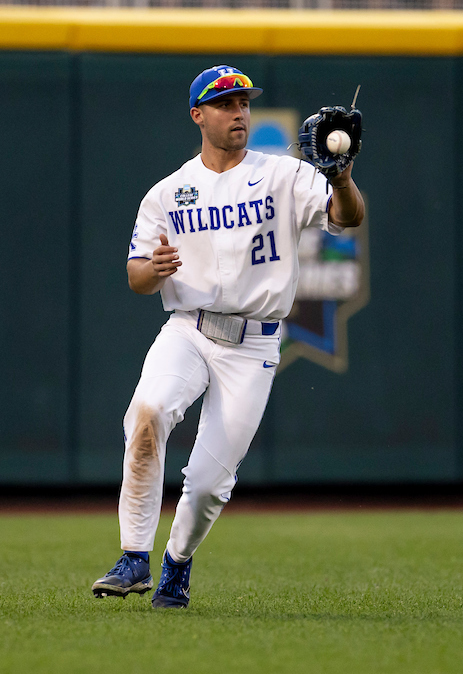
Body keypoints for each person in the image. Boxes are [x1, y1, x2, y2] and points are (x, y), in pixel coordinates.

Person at [92, 66, 366, 609]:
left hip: (256, 343)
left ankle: (176, 565)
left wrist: (339, 177)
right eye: (225, 104)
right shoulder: (166, 193)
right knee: (146, 414)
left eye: (244, 103)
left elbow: (347, 217)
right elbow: (135, 276)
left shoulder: (284, 175)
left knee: (211, 483)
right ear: (198, 115)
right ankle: (133, 557)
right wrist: (156, 269)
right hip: (188, 330)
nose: (238, 112)